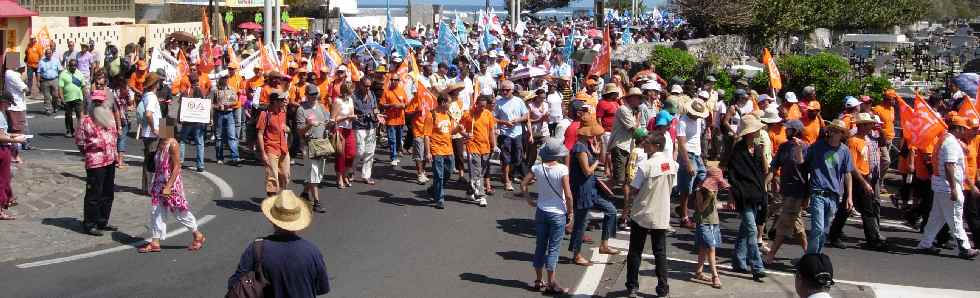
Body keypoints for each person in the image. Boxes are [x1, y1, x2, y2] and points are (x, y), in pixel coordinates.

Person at [228, 191, 330, 297]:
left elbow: (234, 284)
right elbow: (322, 288)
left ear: (272, 220)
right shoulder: (312, 252)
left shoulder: (256, 249)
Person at [916, 116, 980, 259]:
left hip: (941, 185)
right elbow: (949, 165)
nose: (966, 132)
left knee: (936, 218)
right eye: (965, 129)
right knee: (955, 218)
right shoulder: (950, 142)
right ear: (959, 128)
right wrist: (953, 189)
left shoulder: (946, 139)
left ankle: (925, 244)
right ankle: (964, 248)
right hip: (947, 186)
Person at [138, 123, 206, 253]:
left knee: (179, 212)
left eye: (163, 128)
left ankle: (197, 235)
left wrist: (168, 186)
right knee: (156, 211)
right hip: (158, 182)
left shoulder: (173, 144)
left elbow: (176, 167)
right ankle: (155, 241)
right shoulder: (161, 142)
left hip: (171, 183)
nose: (160, 131)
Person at [520, 139, 573, 295]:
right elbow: (568, 195)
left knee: (540, 246)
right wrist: (571, 213)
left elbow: (523, 184)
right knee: (554, 249)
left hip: (541, 211)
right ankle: (551, 283)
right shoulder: (563, 169)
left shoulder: (537, 168)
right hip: (557, 213)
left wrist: (529, 199)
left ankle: (538, 280)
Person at [625, 134, 675, 297]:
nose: (644, 145)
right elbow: (672, 186)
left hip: (642, 212)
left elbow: (634, 188)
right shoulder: (672, 165)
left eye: (647, 143)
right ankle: (663, 287)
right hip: (662, 212)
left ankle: (632, 286)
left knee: (635, 250)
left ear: (656, 146)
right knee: (660, 252)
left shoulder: (645, 165)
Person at [829, 112, 885, 251]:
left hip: (864, 177)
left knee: (859, 209)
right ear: (862, 125)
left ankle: (836, 235)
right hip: (857, 178)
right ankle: (871, 239)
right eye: (869, 124)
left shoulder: (864, 139)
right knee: (856, 208)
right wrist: (864, 182)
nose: (871, 126)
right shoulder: (854, 142)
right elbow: (852, 165)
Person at [568, 116, 620, 266]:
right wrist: (596, 160)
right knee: (581, 223)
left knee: (610, 210)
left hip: (591, 188)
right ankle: (576, 254)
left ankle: (604, 244)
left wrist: (599, 150)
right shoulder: (580, 148)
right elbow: (587, 171)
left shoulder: (588, 145)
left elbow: (602, 159)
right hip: (583, 189)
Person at [727, 115, 767, 281]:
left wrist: (763, 153)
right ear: (749, 133)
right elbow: (732, 175)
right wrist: (731, 196)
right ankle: (757, 266)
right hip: (743, 194)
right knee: (751, 229)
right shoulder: (738, 151)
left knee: (746, 229)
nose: (758, 131)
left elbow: (764, 170)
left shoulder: (758, 149)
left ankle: (738, 261)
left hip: (757, 193)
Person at [804, 120, 853, 254]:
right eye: (832, 130)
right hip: (818, 192)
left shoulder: (845, 151)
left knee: (824, 231)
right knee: (817, 229)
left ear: (842, 134)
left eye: (837, 131)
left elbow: (847, 173)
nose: (833, 133)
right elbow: (805, 163)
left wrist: (849, 196)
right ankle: (810, 259)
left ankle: (815, 256)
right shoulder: (817, 146)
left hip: (834, 195)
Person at [74, 89, 119, 236]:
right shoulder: (86, 121)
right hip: (96, 161)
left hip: (110, 159)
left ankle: (102, 220)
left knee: (108, 192)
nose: (99, 104)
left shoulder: (109, 117)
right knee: (94, 193)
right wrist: (89, 153)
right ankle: (90, 223)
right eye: (96, 102)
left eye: (101, 102)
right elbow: (80, 142)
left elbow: (114, 136)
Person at [766, 120, 808, 264]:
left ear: (796, 131)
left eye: (789, 129)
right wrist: (765, 183)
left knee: (783, 224)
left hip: (797, 191)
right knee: (797, 225)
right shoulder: (783, 147)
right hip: (785, 190)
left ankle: (771, 255)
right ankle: (809, 253)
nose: (786, 131)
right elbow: (774, 166)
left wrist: (807, 197)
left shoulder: (805, 147)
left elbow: (806, 168)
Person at [296, 84, 330, 214]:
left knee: (318, 173)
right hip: (309, 143)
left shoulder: (321, 107)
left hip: (322, 142)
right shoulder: (301, 109)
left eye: (316, 93)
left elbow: (327, 122)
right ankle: (316, 202)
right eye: (312, 94)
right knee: (315, 173)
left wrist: (330, 125)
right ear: (307, 95)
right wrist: (309, 126)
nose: (315, 96)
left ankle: (304, 193)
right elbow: (299, 131)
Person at [676, 96, 709, 229]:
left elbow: (697, 138)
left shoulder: (699, 120)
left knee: (702, 183)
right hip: (688, 155)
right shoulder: (682, 121)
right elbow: (682, 144)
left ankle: (685, 210)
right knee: (686, 189)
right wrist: (687, 163)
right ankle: (684, 218)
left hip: (697, 154)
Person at [425, 93, 462, 209]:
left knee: (449, 172)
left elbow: (451, 132)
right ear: (443, 103)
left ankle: (433, 189)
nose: (450, 105)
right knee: (439, 176)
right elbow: (426, 135)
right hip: (437, 150)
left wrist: (459, 129)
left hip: (448, 150)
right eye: (449, 102)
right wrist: (428, 152)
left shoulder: (448, 115)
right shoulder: (431, 115)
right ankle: (439, 199)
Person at [461, 95, 496, 206]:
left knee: (480, 173)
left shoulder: (488, 114)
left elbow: (491, 131)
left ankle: (469, 191)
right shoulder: (468, 114)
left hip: (485, 147)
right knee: (477, 170)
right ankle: (481, 196)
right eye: (480, 106)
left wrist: (493, 145)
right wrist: (466, 134)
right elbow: (458, 127)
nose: (482, 108)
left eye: (484, 106)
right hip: (472, 146)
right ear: (476, 104)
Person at [494, 80, 529, 191]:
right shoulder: (498, 103)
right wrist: (504, 123)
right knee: (506, 159)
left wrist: (517, 120)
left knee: (518, 158)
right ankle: (507, 180)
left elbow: (526, 115)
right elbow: (493, 118)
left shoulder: (518, 101)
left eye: (507, 90)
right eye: (502, 90)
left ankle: (508, 175)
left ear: (512, 90)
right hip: (505, 134)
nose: (504, 92)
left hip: (517, 133)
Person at [257, 91, 291, 196]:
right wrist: (263, 153)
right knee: (272, 177)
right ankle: (272, 200)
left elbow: (285, 128)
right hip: (271, 148)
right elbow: (260, 134)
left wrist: (287, 129)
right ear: (275, 102)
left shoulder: (283, 112)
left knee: (285, 175)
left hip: (283, 148)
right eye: (281, 100)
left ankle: (281, 196)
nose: (284, 101)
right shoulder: (264, 114)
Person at [0, 109, 27, 220]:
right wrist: (15, 139)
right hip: (1, 149)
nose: (9, 106)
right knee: (2, 180)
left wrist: (12, 136)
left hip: (4, 148)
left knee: (5, 179)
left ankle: (6, 201)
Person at [352, 77, 379, 185]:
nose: (367, 88)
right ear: (360, 85)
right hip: (359, 126)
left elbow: (375, 107)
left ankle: (366, 175)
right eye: (365, 86)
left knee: (370, 152)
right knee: (359, 151)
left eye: (369, 86)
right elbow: (351, 110)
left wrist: (377, 114)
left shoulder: (372, 94)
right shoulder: (354, 96)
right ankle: (352, 171)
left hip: (371, 126)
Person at [332, 82, 357, 189]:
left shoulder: (350, 100)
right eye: (351, 91)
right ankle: (339, 178)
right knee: (340, 155)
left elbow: (351, 113)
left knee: (351, 153)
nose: (352, 93)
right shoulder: (337, 101)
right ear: (345, 92)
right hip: (339, 129)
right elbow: (333, 119)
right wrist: (346, 117)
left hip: (349, 128)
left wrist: (352, 117)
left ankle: (345, 174)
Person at [213, 76, 241, 164]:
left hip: (229, 114)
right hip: (219, 114)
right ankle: (219, 157)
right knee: (219, 137)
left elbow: (236, 101)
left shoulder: (232, 89)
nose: (225, 80)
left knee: (232, 136)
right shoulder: (216, 90)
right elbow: (212, 104)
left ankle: (235, 157)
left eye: (226, 78)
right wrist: (218, 106)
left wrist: (229, 105)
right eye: (224, 78)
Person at [4, 58, 30, 152]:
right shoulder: (13, 75)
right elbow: (26, 89)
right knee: (17, 129)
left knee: (13, 128)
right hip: (17, 106)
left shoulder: (9, 73)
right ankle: (15, 152)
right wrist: (24, 75)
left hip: (14, 105)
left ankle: (17, 148)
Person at [381, 75, 408, 165]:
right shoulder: (386, 91)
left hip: (400, 120)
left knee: (398, 139)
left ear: (398, 81)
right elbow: (382, 104)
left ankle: (396, 153)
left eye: (395, 80)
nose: (393, 81)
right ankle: (393, 157)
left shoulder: (402, 90)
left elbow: (406, 104)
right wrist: (392, 105)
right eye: (392, 80)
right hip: (390, 120)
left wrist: (402, 106)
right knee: (392, 139)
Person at [59, 59, 87, 137]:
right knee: (68, 116)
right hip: (67, 98)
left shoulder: (80, 74)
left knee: (80, 116)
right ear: (69, 66)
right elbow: (60, 87)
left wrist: (85, 97)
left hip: (78, 98)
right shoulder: (63, 74)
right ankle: (69, 130)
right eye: (71, 65)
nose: (73, 67)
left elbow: (83, 86)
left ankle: (80, 131)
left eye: (75, 65)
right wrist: (61, 98)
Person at [38, 48, 62, 115]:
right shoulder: (41, 61)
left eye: (49, 53)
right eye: (47, 53)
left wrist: (60, 80)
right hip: (45, 81)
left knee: (55, 95)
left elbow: (60, 70)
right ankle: (48, 109)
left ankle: (55, 106)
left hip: (55, 80)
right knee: (47, 96)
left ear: (51, 54)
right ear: (45, 54)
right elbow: (39, 72)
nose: (48, 54)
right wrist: (38, 81)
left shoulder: (56, 60)